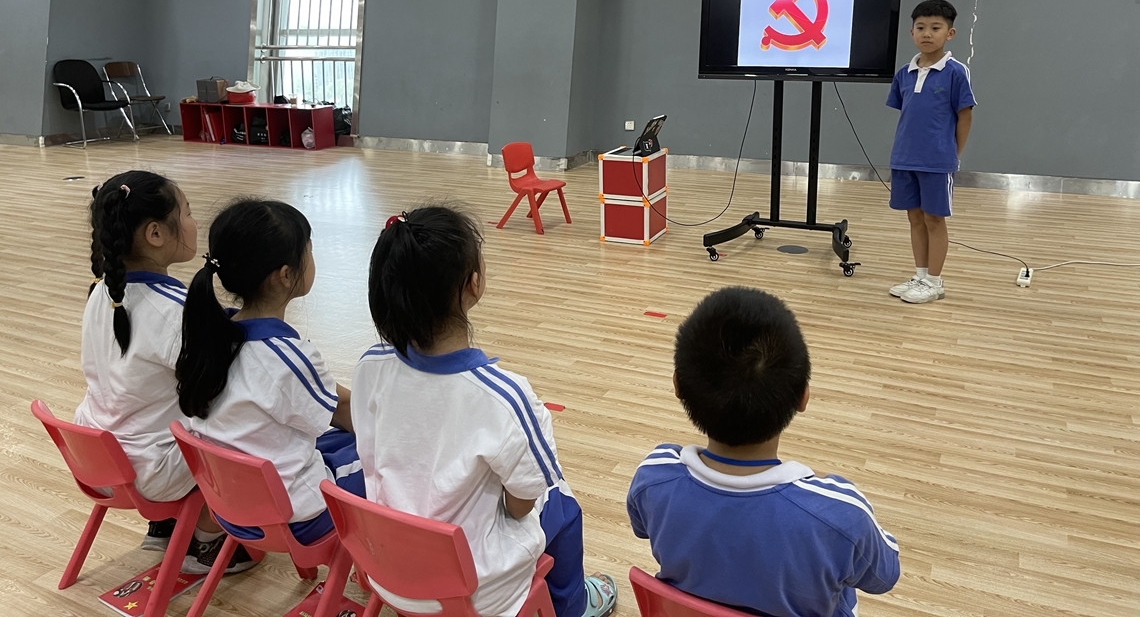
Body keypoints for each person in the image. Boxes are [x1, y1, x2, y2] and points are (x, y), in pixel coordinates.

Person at [353, 207, 617, 617]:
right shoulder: (505, 397)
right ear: (472, 284)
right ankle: (575, 606)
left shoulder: (370, 365)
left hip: (384, 567)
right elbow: (521, 504)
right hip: (474, 592)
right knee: (562, 503)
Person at [627, 287, 900, 617]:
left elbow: (642, 528)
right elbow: (884, 576)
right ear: (803, 397)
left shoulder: (654, 476)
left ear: (677, 385)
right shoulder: (840, 513)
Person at [75, 172, 253, 575]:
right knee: (250, 421)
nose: (193, 222)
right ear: (155, 233)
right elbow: (227, 377)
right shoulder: (175, 312)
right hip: (150, 470)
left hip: (97, 459)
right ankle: (204, 540)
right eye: (187, 212)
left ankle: (165, 524)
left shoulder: (102, 291)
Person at [176, 199, 363, 560]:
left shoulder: (211, 335)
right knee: (382, 456)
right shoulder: (287, 356)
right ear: (286, 275)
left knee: (335, 439)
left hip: (230, 505)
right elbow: (345, 412)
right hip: (300, 518)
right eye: (309, 250)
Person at [886, 0, 977, 303]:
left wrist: (953, 154)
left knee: (934, 219)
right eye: (921, 27)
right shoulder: (904, 73)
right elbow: (907, 113)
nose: (927, 33)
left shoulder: (955, 72)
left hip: (937, 161)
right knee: (915, 218)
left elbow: (965, 116)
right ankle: (921, 275)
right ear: (912, 32)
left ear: (949, 33)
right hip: (904, 158)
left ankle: (935, 282)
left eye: (935, 28)